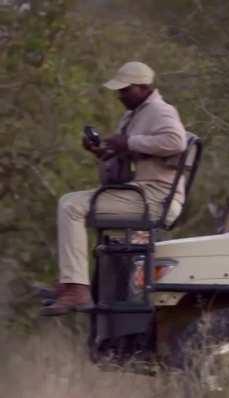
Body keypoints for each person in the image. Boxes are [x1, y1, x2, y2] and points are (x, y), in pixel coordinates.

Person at [41, 61, 187, 316]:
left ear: (144, 87)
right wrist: (102, 151)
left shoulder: (161, 111)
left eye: (126, 89)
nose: (120, 95)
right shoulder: (134, 114)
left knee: (71, 205)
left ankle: (76, 288)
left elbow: (176, 141)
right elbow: (128, 154)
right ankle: (75, 285)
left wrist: (129, 141)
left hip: (155, 198)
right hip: (141, 194)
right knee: (70, 202)